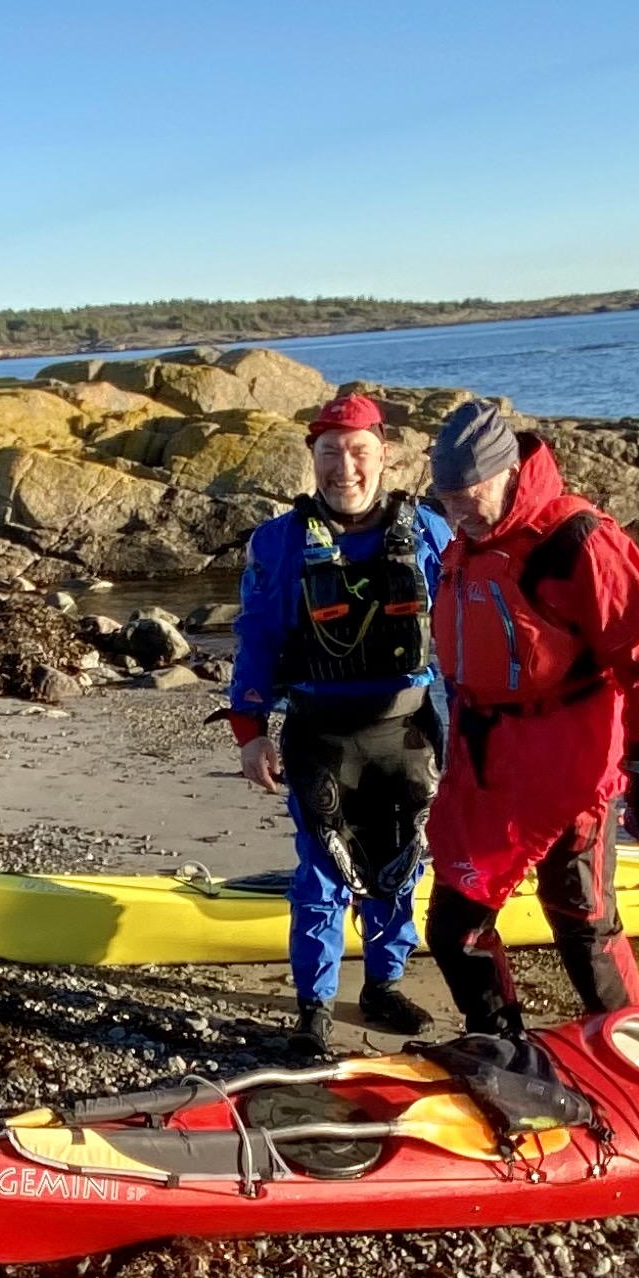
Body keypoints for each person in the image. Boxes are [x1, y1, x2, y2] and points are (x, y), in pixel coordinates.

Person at [420, 396, 639, 1036]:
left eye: (470, 494)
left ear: (508, 474)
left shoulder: (577, 542)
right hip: (491, 765)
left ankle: (633, 1045)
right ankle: (499, 1041)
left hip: (573, 766)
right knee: (454, 924)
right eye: (447, 498)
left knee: (581, 915)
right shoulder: (468, 543)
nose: (458, 512)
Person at [224, 389, 459, 1062]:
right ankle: (314, 1010)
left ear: (385, 455)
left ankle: (384, 986)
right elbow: (258, 639)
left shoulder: (432, 534)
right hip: (320, 737)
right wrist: (250, 734)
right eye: (331, 454)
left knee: (401, 865)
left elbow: (470, 632)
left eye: (359, 452)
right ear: (312, 458)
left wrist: (487, 726)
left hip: (408, 734)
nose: (345, 468)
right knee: (322, 878)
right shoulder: (279, 542)